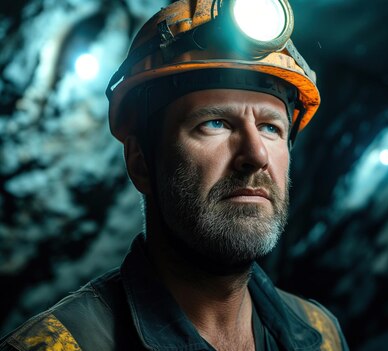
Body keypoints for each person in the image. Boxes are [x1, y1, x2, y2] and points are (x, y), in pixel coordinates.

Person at [0, 0, 348, 350]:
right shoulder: (55, 345)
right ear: (140, 162)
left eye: (271, 127)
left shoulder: (320, 334)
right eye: (215, 123)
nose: (256, 155)